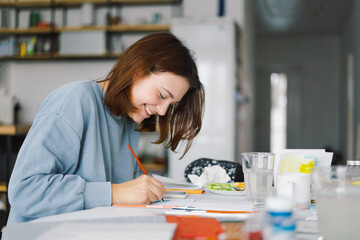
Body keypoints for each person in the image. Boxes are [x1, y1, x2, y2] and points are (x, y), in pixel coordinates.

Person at [6, 32, 205, 226]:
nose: (162, 112)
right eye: (162, 96)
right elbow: (24, 191)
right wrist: (115, 193)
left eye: (171, 104)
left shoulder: (128, 121)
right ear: (137, 70)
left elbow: (124, 194)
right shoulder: (74, 100)